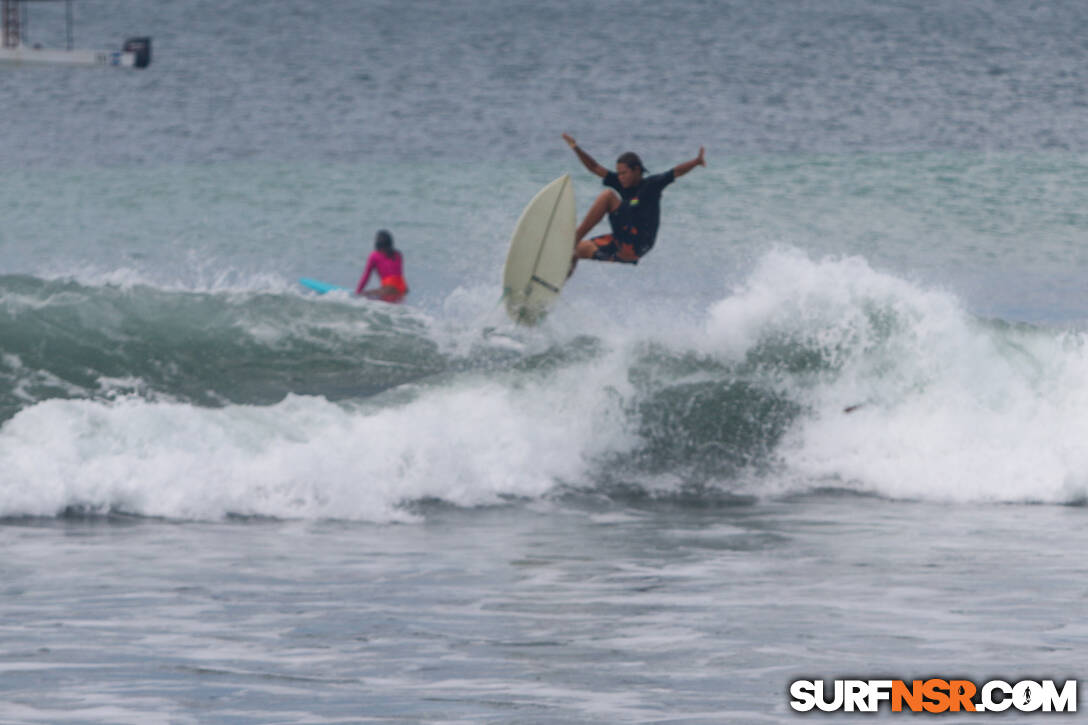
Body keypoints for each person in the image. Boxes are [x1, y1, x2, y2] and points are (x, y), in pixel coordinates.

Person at [562, 133, 705, 269]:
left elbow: (676, 172)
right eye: (618, 173)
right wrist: (575, 147)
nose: (620, 177)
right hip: (620, 243)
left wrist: (696, 162)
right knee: (576, 251)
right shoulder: (620, 182)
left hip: (638, 244)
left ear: (636, 170)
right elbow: (594, 167)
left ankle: (573, 239)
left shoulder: (651, 185)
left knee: (607, 196)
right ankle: (552, 284)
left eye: (624, 173)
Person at [355, 229, 409, 303]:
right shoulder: (398, 254)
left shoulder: (374, 256)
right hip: (403, 287)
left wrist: (358, 292)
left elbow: (366, 276)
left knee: (364, 296)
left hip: (389, 288)